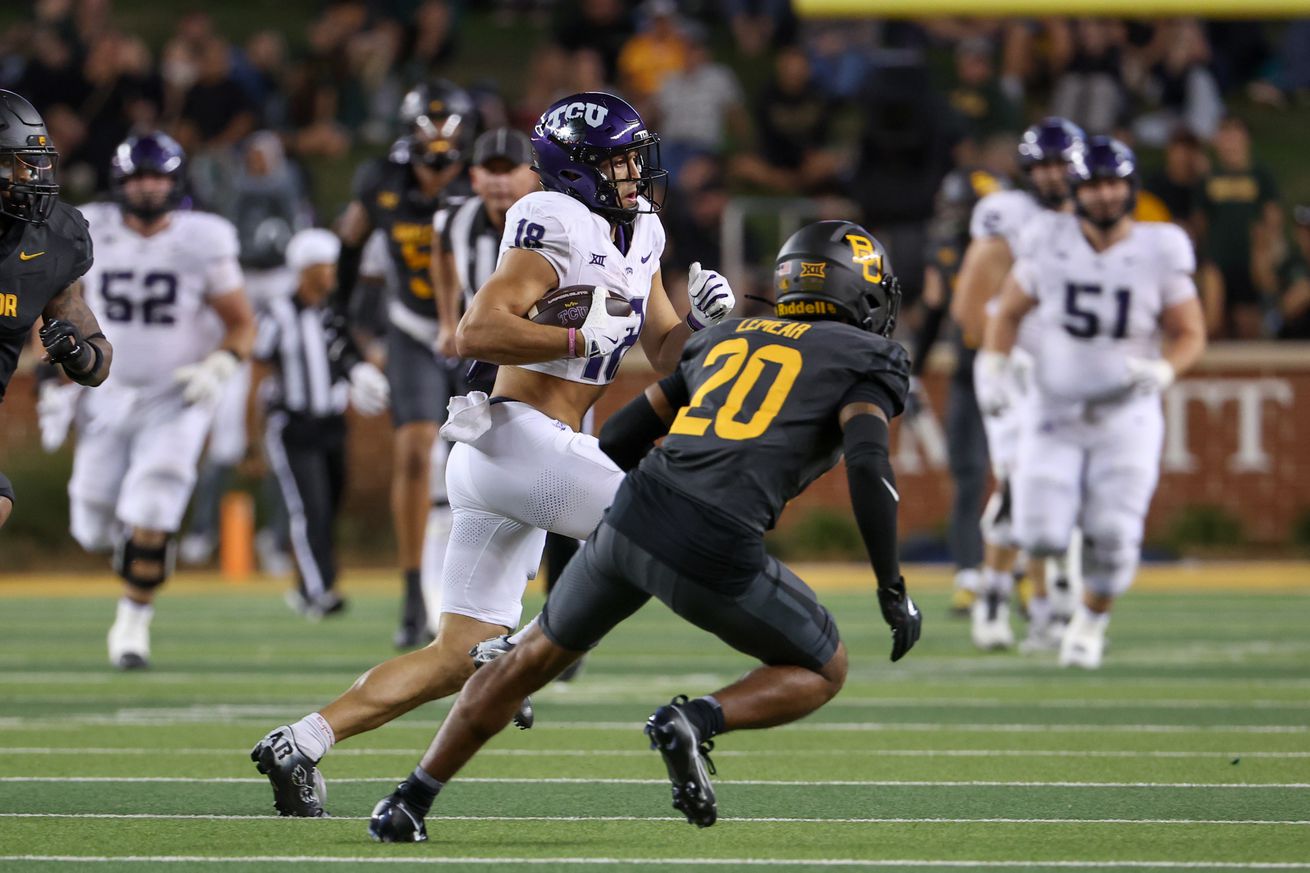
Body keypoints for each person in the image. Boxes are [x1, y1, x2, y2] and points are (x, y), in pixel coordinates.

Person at [250, 91, 736, 818]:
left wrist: (704, 323)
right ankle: (523, 647)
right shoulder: (557, 219)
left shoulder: (643, 230)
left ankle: (304, 738)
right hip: (519, 438)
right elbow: (476, 330)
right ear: (578, 169)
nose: (636, 170)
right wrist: (575, 338)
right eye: (619, 159)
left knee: (453, 652)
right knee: (661, 532)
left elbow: (664, 349)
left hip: (514, 457)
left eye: (636, 155)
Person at [365, 219, 922, 842]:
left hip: (634, 515)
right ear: (861, 292)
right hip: (717, 537)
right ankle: (696, 720)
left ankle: (407, 802)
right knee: (825, 667)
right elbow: (871, 466)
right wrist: (891, 586)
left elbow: (621, 436)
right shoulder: (868, 358)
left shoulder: (726, 337)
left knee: (524, 664)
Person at [978, 137, 1206, 669]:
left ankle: (1090, 621)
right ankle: (1050, 583)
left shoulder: (1161, 246)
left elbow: (1190, 330)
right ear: (1077, 191)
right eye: (1095, 185)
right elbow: (1006, 312)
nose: (1105, 196)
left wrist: (1166, 368)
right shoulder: (1048, 239)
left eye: (1114, 184)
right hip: (1053, 409)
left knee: (1115, 534)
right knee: (1039, 532)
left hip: (1126, 416)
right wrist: (992, 366)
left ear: (1131, 188)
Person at [70, 132, 254, 669]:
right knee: (91, 525)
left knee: (154, 500)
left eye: (158, 177)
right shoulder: (89, 230)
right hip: (105, 391)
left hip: (177, 393)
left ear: (175, 183)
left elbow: (241, 324)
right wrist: (56, 376)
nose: (148, 188)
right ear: (119, 182)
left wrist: (219, 365)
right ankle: (137, 542)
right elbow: (59, 304)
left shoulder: (204, 237)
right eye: (138, 178)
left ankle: (131, 627)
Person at [333, 78, 474, 648]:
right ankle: (414, 592)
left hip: (477, 333)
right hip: (414, 327)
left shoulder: (486, 180)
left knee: (482, 463)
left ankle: (480, 593)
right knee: (415, 453)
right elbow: (346, 260)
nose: (438, 161)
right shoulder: (380, 183)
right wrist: (346, 350)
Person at [950, 117, 1085, 652]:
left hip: (1062, 367)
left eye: (1061, 165)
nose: (1053, 176)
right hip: (1011, 365)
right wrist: (1001, 355)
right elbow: (971, 304)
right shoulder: (1007, 214)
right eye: (1044, 166)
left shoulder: (1091, 220)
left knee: (1057, 486)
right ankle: (1031, 605)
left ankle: (1016, 600)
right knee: (1023, 487)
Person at [255, 228, 390, 618]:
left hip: (333, 423)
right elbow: (257, 375)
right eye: (324, 266)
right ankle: (320, 590)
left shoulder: (335, 313)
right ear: (304, 269)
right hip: (294, 424)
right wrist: (252, 437)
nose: (332, 273)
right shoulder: (279, 313)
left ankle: (306, 586)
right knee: (308, 509)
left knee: (329, 506)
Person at [0, 90, 111, 531]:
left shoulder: (53, 242)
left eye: (37, 161)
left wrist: (76, 354)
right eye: (18, 163)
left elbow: (99, 360)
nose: (33, 175)